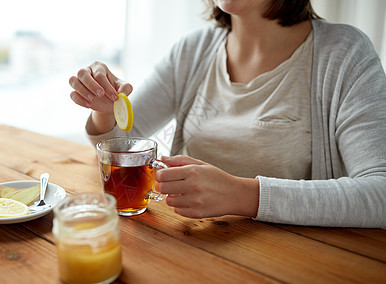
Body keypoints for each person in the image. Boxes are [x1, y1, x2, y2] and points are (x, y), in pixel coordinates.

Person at [68, 0, 386, 228]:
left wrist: (242, 196)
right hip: (193, 242)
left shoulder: (345, 53)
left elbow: (380, 193)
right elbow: (119, 146)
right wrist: (105, 111)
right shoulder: (192, 49)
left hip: (296, 260)